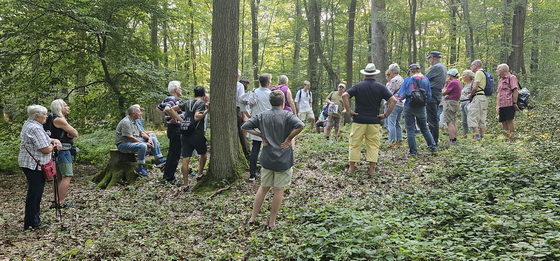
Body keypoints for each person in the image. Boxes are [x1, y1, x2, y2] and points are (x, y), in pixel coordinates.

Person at [242, 90, 304, 229]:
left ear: (270, 102)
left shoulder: (262, 115)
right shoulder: (288, 115)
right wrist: (288, 139)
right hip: (283, 158)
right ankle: (271, 223)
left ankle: (252, 218)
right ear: (283, 102)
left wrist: (261, 136)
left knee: (263, 188)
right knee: (278, 190)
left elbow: (245, 126)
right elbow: (301, 125)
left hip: (268, 157)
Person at [342, 63, 397, 175]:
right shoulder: (380, 87)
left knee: (355, 144)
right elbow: (394, 101)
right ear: (374, 74)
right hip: (374, 121)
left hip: (359, 120)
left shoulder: (358, 86)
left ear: (365, 74)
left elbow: (344, 96)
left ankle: (351, 168)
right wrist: (386, 115)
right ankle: (371, 170)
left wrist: (349, 111)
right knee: (373, 144)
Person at [19, 105, 62, 230]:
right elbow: (44, 149)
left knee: (35, 193)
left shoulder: (30, 124)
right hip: (34, 165)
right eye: (44, 114)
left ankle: (33, 221)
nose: (47, 116)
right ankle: (32, 223)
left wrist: (53, 140)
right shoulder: (35, 128)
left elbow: (45, 139)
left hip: (29, 163)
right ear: (37, 116)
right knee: (35, 194)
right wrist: (53, 146)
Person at [166, 86, 210, 192]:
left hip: (185, 134)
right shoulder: (201, 104)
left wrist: (180, 119)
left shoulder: (188, 102)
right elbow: (196, 117)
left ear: (194, 95)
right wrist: (206, 111)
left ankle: (185, 184)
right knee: (203, 154)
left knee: (185, 158)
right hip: (197, 134)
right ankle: (199, 174)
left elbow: (170, 109)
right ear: (204, 95)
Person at [397, 64, 438, 156]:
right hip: (421, 107)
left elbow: (401, 95)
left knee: (410, 129)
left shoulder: (408, 80)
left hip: (409, 106)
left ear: (411, 71)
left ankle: (413, 151)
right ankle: (433, 147)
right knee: (424, 128)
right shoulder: (425, 80)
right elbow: (429, 95)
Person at [115, 104, 164, 177]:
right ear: (133, 113)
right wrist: (144, 142)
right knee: (143, 146)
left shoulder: (135, 121)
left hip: (132, 141)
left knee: (153, 139)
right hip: (123, 144)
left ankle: (158, 160)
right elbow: (130, 137)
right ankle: (140, 168)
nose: (141, 113)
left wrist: (149, 139)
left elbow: (142, 133)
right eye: (139, 111)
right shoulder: (126, 122)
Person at [50, 99, 79, 209]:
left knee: (59, 176)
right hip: (63, 151)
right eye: (65, 106)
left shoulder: (50, 118)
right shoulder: (59, 120)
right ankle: (60, 202)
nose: (68, 108)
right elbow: (75, 132)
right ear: (59, 108)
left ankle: (56, 201)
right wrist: (70, 134)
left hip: (55, 150)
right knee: (67, 175)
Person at [246, 73, 272, 181]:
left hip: (256, 123)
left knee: (255, 149)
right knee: (269, 149)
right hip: (268, 124)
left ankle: (252, 174)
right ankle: (268, 172)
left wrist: (249, 115)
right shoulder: (271, 94)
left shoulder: (254, 92)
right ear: (269, 82)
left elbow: (245, 105)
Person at [157, 81, 183, 184]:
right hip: (175, 129)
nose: (181, 90)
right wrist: (177, 119)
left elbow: (158, 108)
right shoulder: (172, 99)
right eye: (180, 88)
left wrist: (169, 117)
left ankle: (167, 175)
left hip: (172, 128)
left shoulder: (167, 98)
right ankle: (169, 177)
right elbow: (167, 108)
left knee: (172, 153)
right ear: (176, 90)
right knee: (175, 154)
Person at [425, 51, 448, 145]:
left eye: (430, 58)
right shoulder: (443, 67)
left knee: (432, 119)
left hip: (432, 94)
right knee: (433, 118)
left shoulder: (436, 67)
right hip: (438, 94)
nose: (430, 60)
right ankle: (433, 140)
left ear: (433, 57)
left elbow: (425, 78)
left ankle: (433, 142)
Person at [495, 64, 520, 142]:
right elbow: (499, 93)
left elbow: (515, 91)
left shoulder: (511, 78)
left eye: (498, 69)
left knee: (509, 121)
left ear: (503, 70)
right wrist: (497, 105)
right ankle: (505, 139)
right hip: (502, 104)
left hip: (509, 103)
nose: (496, 71)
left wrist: (514, 102)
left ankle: (511, 139)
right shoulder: (500, 80)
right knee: (503, 122)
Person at [466, 60, 488, 141]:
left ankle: (476, 136)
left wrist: (470, 95)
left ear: (475, 65)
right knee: (482, 118)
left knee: (472, 116)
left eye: (472, 66)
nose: (471, 67)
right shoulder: (484, 73)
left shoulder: (478, 73)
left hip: (478, 97)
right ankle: (482, 137)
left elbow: (475, 87)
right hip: (484, 98)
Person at [384, 64, 405, 147]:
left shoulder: (393, 80)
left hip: (393, 103)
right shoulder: (401, 79)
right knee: (397, 123)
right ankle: (399, 140)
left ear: (391, 71)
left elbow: (389, 92)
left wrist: (386, 101)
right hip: (401, 103)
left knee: (391, 123)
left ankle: (391, 141)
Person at [441, 69, 462, 144]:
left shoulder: (452, 82)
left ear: (450, 75)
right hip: (455, 102)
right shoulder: (458, 82)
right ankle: (455, 138)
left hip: (450, 103)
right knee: (453, 121)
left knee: (449, 122)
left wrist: (445, 85)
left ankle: (452, 139)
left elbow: (443, 92)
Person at [237, 70, 251, 158]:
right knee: (243, 132)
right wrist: (245, 116)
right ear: (238, 76)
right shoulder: (239, 85)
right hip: (237, 110)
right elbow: (241, 101)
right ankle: (247, 153)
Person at [460, 70, 475, 139]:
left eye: (464, 75)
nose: (462, 77)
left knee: (470, 121)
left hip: (468, 105)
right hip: (462, 104)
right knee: (464, 122)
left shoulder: (473, 84)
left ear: (469, 76)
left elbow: (474, 94)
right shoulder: (465, 85)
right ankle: (464, 136)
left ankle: (474, 136)